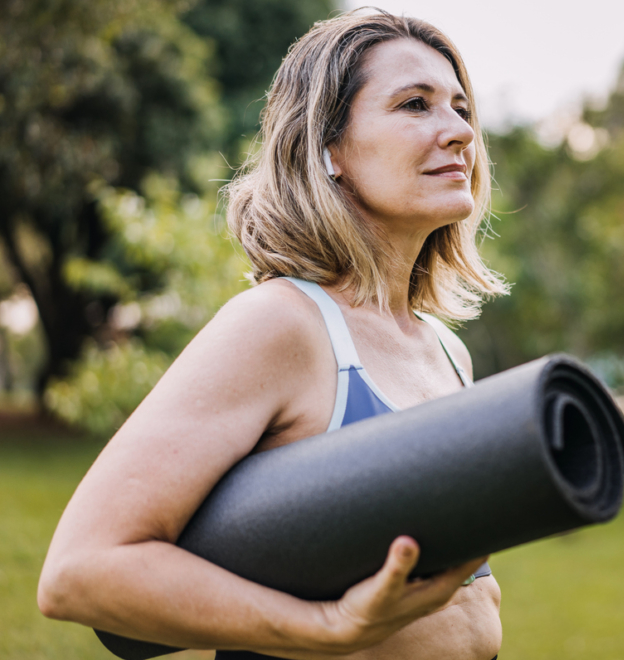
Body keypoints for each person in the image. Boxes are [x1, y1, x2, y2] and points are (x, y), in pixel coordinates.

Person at [37, 9, 507, 660]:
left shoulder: (445, 349)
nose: (458, 132)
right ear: (329, 148)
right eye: (415, 104)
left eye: (461, 108)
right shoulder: (282, 325)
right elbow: (79, 572)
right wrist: (326, 628)